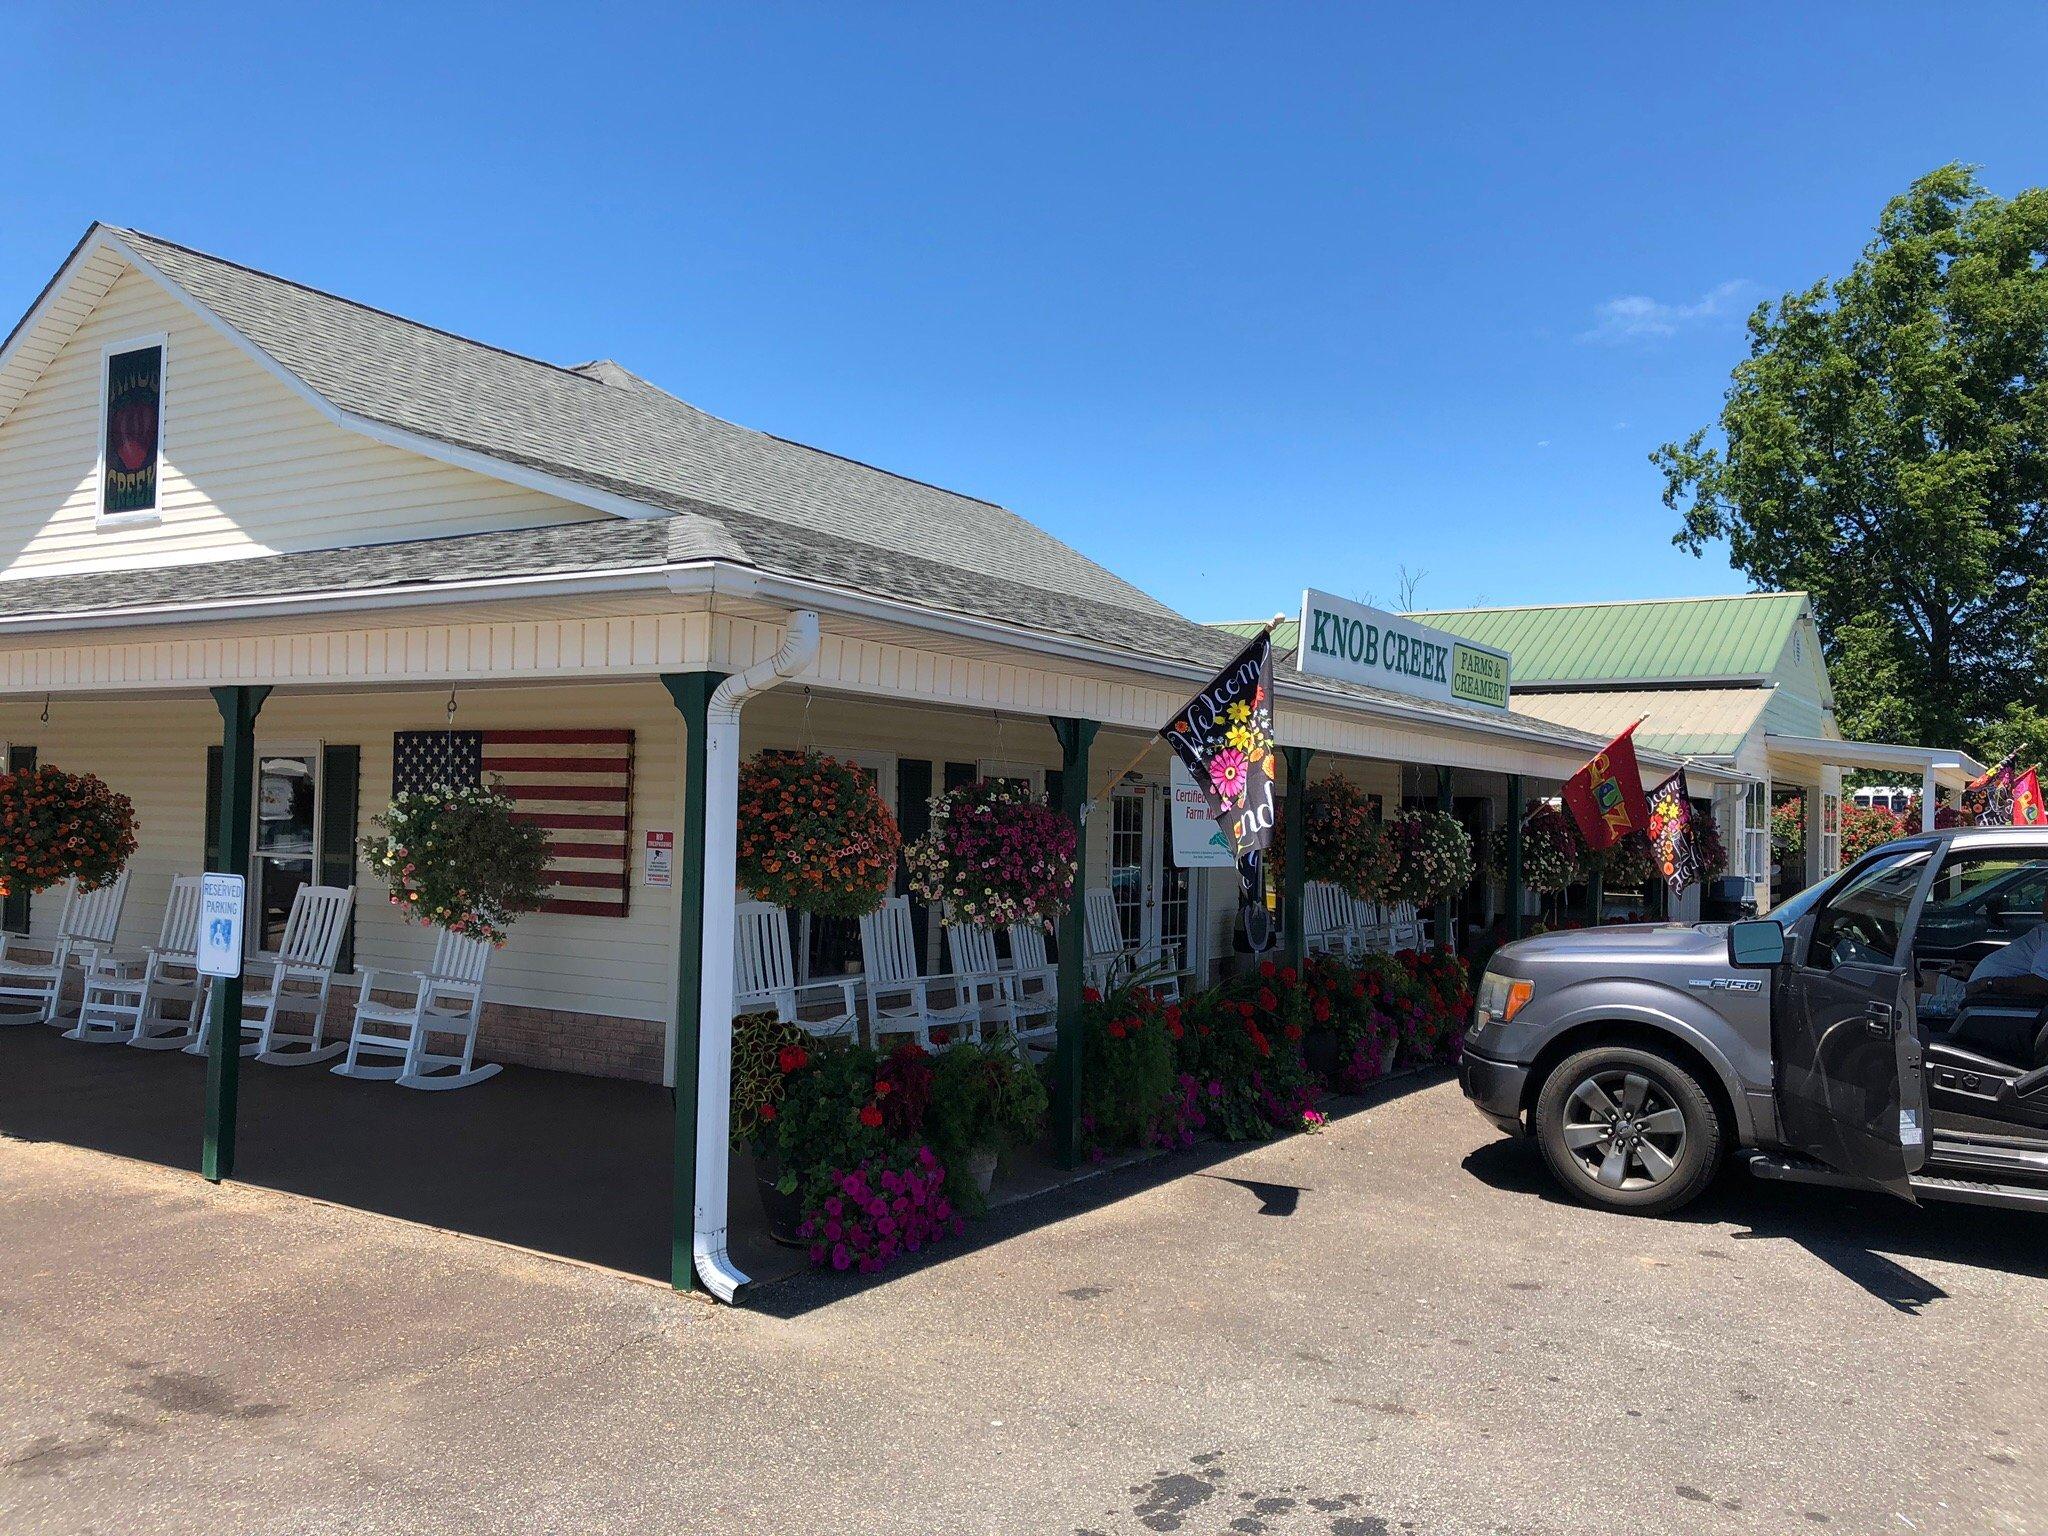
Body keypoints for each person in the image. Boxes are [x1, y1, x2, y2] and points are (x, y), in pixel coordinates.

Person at [1966, 921, 2048, 1003]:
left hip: (1987, 1002)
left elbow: (2041, 984)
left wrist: (1987, 984)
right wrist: (1974, 970)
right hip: (1978, 993)